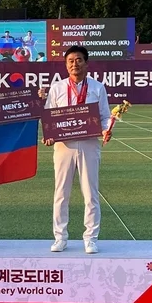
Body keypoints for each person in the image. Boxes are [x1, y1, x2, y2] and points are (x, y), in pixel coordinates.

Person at [38, 46, 112, 254]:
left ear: (86, 63)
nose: (74, 64)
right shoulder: (57, 88)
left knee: (90, 193)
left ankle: (91, 238)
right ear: (66, 65)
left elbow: (105, 116)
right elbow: (48, 116)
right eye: (70, 60)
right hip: (64, 146)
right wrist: (49, 134)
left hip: (89, 144)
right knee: (61, 193)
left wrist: (106, 130)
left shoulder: (97, 87)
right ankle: (60, 237)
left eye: (79, 60)